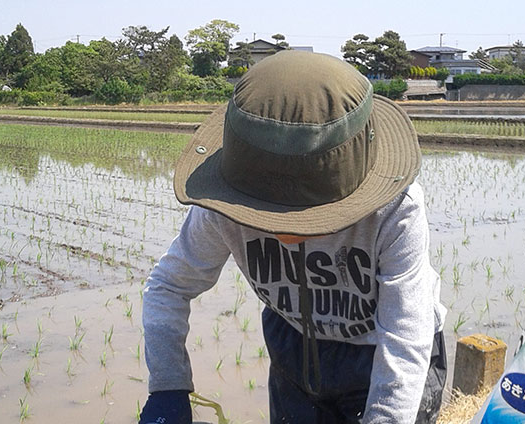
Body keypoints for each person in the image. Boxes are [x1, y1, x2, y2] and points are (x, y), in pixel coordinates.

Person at [139, 50, 447, 424]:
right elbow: (169, 286)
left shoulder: (395, 209)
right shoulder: (222, 206)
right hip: (293, 345)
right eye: (262, 218)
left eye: (308, 222)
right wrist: (167, 389)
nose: (286, 237)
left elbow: (404, 333)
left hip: (379, 353)